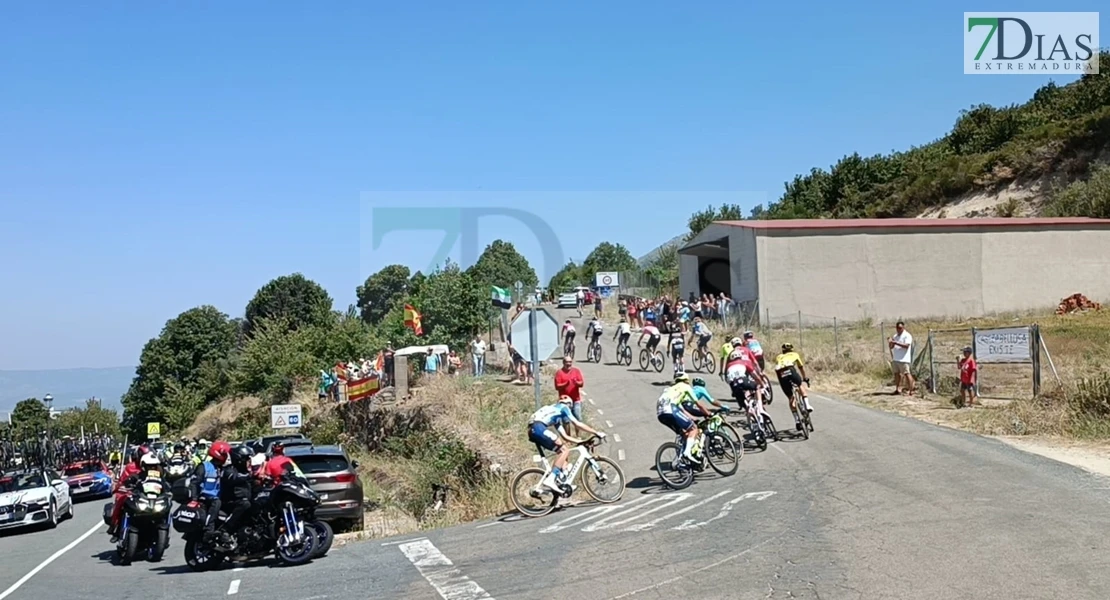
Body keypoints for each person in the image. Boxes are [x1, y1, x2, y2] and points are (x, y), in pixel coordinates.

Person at [527, 396, 606, 492]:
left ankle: (563, 482)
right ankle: (551, 479)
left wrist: (580, 442)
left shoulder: (555, 416)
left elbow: (565, 436)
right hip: (538, 427)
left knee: (561, 450)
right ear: (569, 405)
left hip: (533, 429)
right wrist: (596, 432)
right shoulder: (563, 407)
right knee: (565, 450)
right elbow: (577, 424)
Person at [656, 373, 703, 461]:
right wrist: (708, 413)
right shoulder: (685, 386)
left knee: (684, 434)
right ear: (686, 381)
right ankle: (687, 453)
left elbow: (681, 410)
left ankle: (680, 460)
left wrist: (692, 418)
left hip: (660, 413)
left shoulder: (671, 389)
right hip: (670, 409)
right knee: (693, 429)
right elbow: (698, 404)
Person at [191, 441, 229, 543]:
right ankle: (209, 529)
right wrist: (194, 499)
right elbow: (194, 483)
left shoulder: (223, 468)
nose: (225, 456)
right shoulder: (204, 466)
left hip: (218, 496)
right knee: (216, 502)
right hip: (205, 496)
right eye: (224, 454)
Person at [108, 445, 149, 541]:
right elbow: (122, 480)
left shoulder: (153, 466)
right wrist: (119, 487)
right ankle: (115, 527)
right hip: (131, 492)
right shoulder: (130, 467)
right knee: (120, 501)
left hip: (147, 492)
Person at [217, 446, 255, 544]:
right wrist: (251, 475)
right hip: (230, 502)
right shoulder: (228, 470)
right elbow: (235, 478)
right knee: (245, 504)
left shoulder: (244, 471)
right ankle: (225, 530)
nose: (248, 461)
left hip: (242, 500)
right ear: (239, 460)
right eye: (246, 459)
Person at [774, 343, 813, 430]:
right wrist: (804, 378)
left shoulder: (779, 357)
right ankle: (807, 405)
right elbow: (801, 367)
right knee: (799, 385)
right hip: (790, 369)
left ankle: (797, 421)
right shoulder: (795, 354)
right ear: (791, 349)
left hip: (781, 374)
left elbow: (778, 368)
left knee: (791, 398)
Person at [554, 355, 586, 432]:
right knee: (566, 420)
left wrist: (576, 383)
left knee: (577, 418)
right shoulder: (559, 373)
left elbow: (581, 383)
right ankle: (568, 438)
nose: (568, 364)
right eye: (567, 362)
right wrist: (566, 384)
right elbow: (557, 386)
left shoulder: (576, 371)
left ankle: (578, 436)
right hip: (564, 401)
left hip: (575, 399)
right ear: (563, 363)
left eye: (570, 362)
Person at [889, 321, 915, 395]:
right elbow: (891, 347)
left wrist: (896, 343)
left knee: (907, 374)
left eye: (900, 328)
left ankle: (911, 390)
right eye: (897, 328)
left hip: (904, 359)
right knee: (897, 374)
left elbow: (906, 346)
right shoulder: (895, 336)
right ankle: (898, 389)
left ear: (903, 328)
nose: (898, 329)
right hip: (896, 358)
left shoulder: (907, 335)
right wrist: (891, 343)